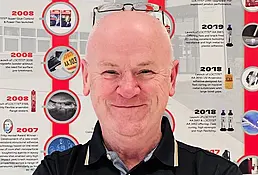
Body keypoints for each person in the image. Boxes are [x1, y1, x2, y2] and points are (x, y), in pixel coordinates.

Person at [33, 11, 242, 175]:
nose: (128, 89)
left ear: (171, 78)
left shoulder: (217, 172)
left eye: (145, 71)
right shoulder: (54, 171)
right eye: (110, 71)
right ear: (87, 78)